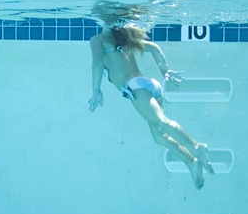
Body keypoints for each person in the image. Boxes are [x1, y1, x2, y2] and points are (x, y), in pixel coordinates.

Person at [88, 22, 215, 188]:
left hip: (135, 88)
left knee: (162, 123)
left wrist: (96, 89)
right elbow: (154, 48)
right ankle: (191, 161)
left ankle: (197, 148)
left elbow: (97, 63)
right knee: (159, 136)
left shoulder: (98, 39)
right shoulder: (123, 36)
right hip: (149, 85)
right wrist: (165, 71)